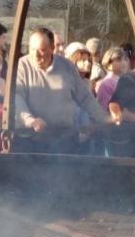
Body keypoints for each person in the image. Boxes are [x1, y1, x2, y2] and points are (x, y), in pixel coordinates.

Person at [13, 27, 107, 155]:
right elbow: (17, 97)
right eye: (32, 49)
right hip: (31, 141)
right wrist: (29, 120)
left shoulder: (67, 67)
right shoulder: (22, 65)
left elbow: (84, 98)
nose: (35, 55)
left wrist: (103, 118)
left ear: (52, 49)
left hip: (63, 140)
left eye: (41, 50)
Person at [96, 46, 129, 112]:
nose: (124, 62)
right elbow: (110, 111)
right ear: (109, 64)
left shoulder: (124, 81)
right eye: (118, 60)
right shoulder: (106, 84)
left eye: (125, 59)